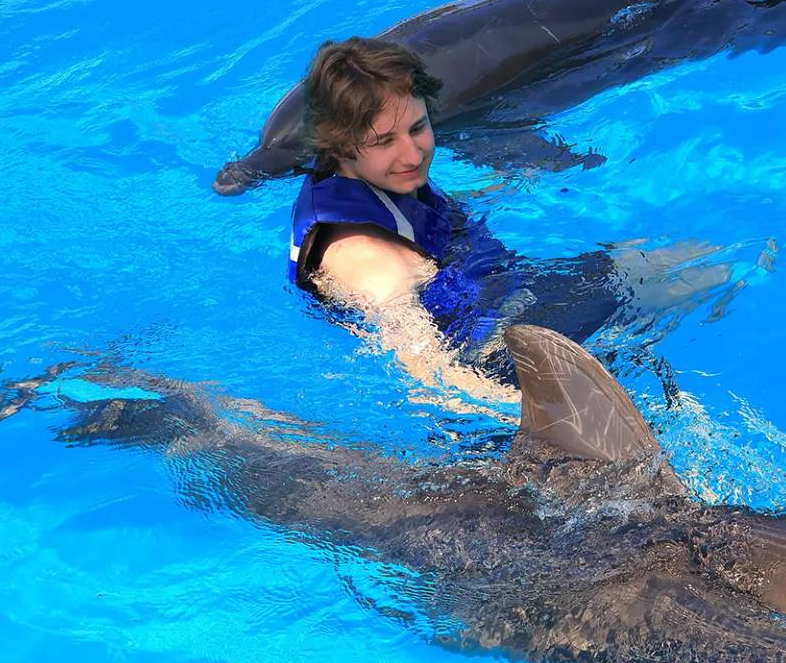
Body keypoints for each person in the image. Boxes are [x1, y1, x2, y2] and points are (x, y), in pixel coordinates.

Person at [287, 37, 724, 412]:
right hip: (502, 365)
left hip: (512, 306)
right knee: (709, 271)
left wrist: (501, 187)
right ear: (339, 147)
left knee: (699, 260)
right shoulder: (368, 260)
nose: (413, 153)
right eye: (385, 141)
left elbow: (431, 225)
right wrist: (542, 411)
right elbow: (427, 375)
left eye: (418, 128)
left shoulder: (376, 176)